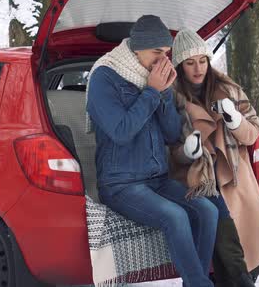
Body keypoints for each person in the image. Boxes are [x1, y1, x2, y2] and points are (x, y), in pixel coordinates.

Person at [86, 15, 218, 287]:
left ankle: (196, 282)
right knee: (176, 216)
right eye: (157, 53)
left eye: (167, 54)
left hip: (156, 179)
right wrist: (151, 92)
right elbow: (121, 131)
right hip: (120, 183)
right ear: (137, 49)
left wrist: (165, 94)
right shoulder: (104, 77)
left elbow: (171, 134)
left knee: (208, 210)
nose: (163, 61)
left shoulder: (155, 79)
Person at [169, 29, 259, 287]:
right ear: (180, 66)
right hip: (197, 180)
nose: (198, 68)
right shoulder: (172, 100)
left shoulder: (229, 89)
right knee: (219, 249)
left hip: (235, 180)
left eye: (202, 61)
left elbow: (252, 135)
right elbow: (167, 151)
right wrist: (187, 152)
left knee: (241, 247)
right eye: (190, 63)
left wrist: (235, 120)